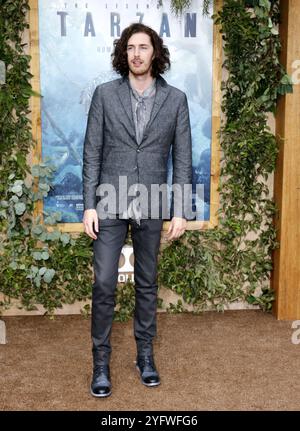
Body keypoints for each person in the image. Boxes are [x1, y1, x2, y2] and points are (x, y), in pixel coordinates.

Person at [82, 22, 192, 398]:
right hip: (110, 202)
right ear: (123, 54)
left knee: (146, 284)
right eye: (130, 48)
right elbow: (91, 153)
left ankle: (145, 355)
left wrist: (180, 210)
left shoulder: (176, 99)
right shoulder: (104, 95)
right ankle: (101, 362)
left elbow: (184, 159)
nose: (137, 54)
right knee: (104, 284)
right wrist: (89, 206)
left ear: (155, 53)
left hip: (153, 201)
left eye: (143, 47)